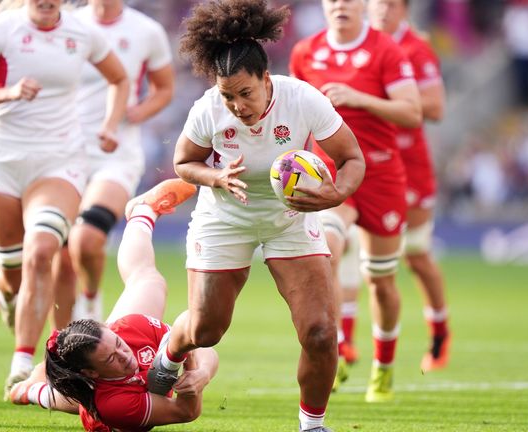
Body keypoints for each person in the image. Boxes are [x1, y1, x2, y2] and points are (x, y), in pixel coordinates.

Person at [147, 1, 366, 431]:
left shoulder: (302, 99)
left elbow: (352, 158)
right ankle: (170, 352)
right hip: (225, 216)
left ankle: (313, 425)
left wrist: (335, 194)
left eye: (245, 93)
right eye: (227, 96)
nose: (236, 105)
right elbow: (184, 162)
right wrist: (215, 177)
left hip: (291, 217)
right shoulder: (208, 108)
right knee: (207, 331)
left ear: (266, 79)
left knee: (321, 332)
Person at [0, 0, 130, 396]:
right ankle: (5, 293)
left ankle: (21, 364)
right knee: (12, 272)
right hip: (2, 163)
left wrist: (111, 123)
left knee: (42, 250)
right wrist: (9, 93)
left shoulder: (82, 32)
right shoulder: (1, 28)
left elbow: (119, 77)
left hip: (60, 161)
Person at [9, 178, 219, 432]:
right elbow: (185, 412)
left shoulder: (129, 330)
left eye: (118, 344)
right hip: (106, 403)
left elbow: (197, 341)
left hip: (100, 370)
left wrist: (201, 372)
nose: (125, 355)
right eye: (112, 358)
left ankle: (142, 212)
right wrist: (191, 376)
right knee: (70, 398)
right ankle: (31, 390)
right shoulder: (112, 403)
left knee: (148, 281)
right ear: (93, 372)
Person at [290, 0, 422, 402]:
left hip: (380, 175)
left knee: (380, 280)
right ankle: (334, 349)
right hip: (329, 174)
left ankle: (383, 367)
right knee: (326, 253)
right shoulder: (306, 52)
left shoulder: (386, 49)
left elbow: (412, 113)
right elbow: (291, 117)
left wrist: (359, 98)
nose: (341, 5)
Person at [52, 0, 175, 327]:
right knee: (60, 261)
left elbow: (164, 88)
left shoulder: (146, 30)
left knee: (86, 240)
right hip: (64, 152)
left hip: (116, 153)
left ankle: (90, 300)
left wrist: (139, 112)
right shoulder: (67, 23)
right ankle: (59, 348)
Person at [367, 0, 450, 373]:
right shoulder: (356, 46)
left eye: (390, 4)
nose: (382, 11)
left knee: (416, 255)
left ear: (404, 10)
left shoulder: (415, 49)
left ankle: (440, 333)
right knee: (353, 252)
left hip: (407, 165)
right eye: (376, 3)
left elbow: (435, 107)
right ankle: (346, 344)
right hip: (368, 163)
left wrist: (375, 97)